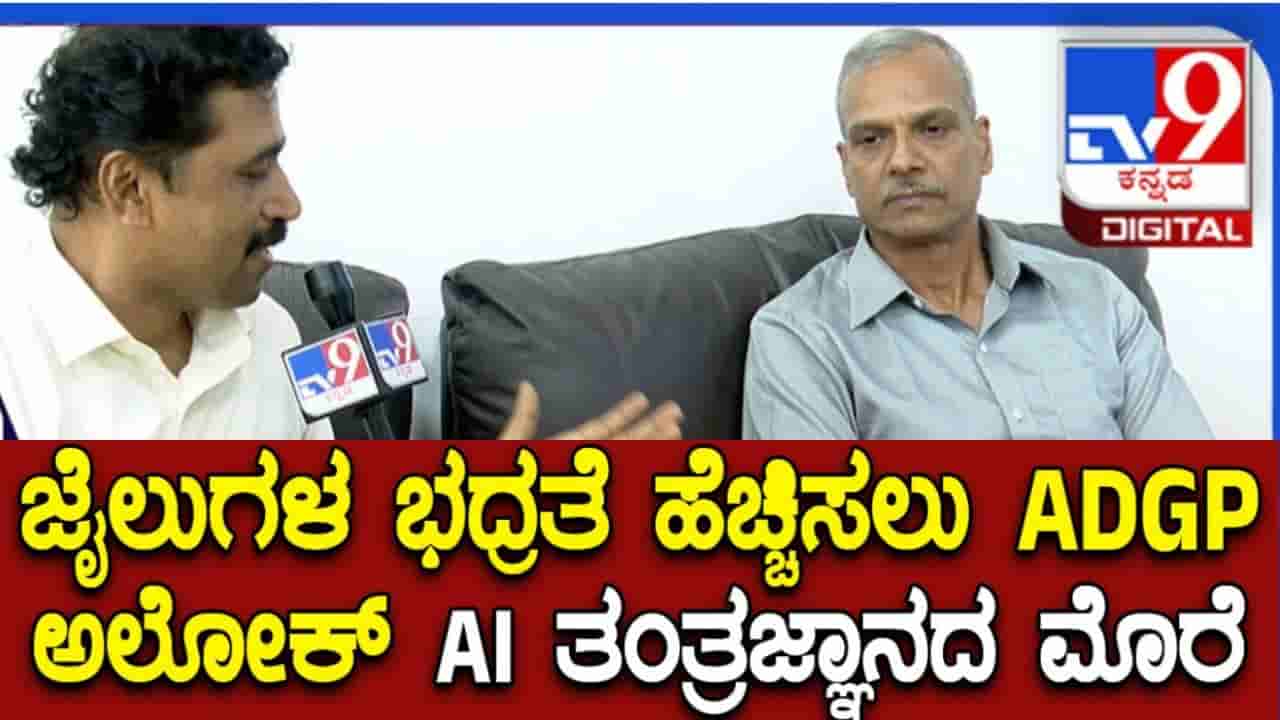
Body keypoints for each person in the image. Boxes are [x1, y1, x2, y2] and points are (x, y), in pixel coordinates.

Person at [2, 26, 682, 441]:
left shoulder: (270, 336)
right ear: (129, 188)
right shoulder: (14, 367)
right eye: (252, 173)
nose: (289, 203)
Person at [741, 28, 1212, 440]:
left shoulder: (1099, 298)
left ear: (982, 145)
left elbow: (1199, 491)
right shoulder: (800, 337)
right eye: (872, 139)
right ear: (847, 167)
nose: (903, 161)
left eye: (931, 129)